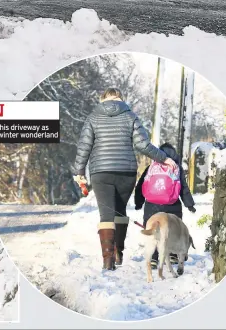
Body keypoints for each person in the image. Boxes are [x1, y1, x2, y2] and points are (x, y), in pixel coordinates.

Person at [72, 88, 177, 271]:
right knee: (119, 211)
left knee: (106, 214)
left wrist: (79, 171)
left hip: (101, 172)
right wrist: (164, 158)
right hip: (126, 171)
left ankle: (107, 260)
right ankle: (118, 252)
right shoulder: (130, 116)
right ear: (120, 98)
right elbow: (142, 145)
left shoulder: (93, 117)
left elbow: (84, 146)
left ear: (102, 99)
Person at [134, 141, 196, 267]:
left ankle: (153, 257)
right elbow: (183, 188)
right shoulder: (176, 168)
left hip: (151, 205)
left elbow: (140, 185)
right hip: (172, 206)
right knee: (174, 229)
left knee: (153, 230)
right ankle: (173, 255)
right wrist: (189, 204)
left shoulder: (151, 168)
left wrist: (139, 202)